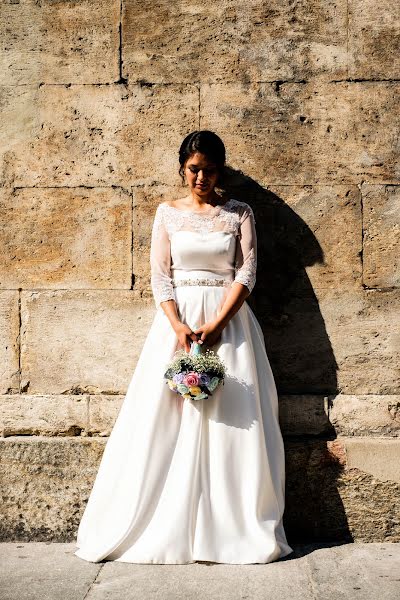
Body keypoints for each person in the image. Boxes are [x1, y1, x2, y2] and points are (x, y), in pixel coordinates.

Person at [74, 130, 293, 564]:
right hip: (177, 325)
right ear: (182, 168)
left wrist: (216, 324)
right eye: (194, 169)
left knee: (235, 417)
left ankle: (230, 526)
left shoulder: (239, 212)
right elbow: (160, 275)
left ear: (220, 170)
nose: (201, 177)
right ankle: (164, 521)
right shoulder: (167, 214)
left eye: (210, 170)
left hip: (228, 324)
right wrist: (177, 325)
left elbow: (246, 273)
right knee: (165, 417)